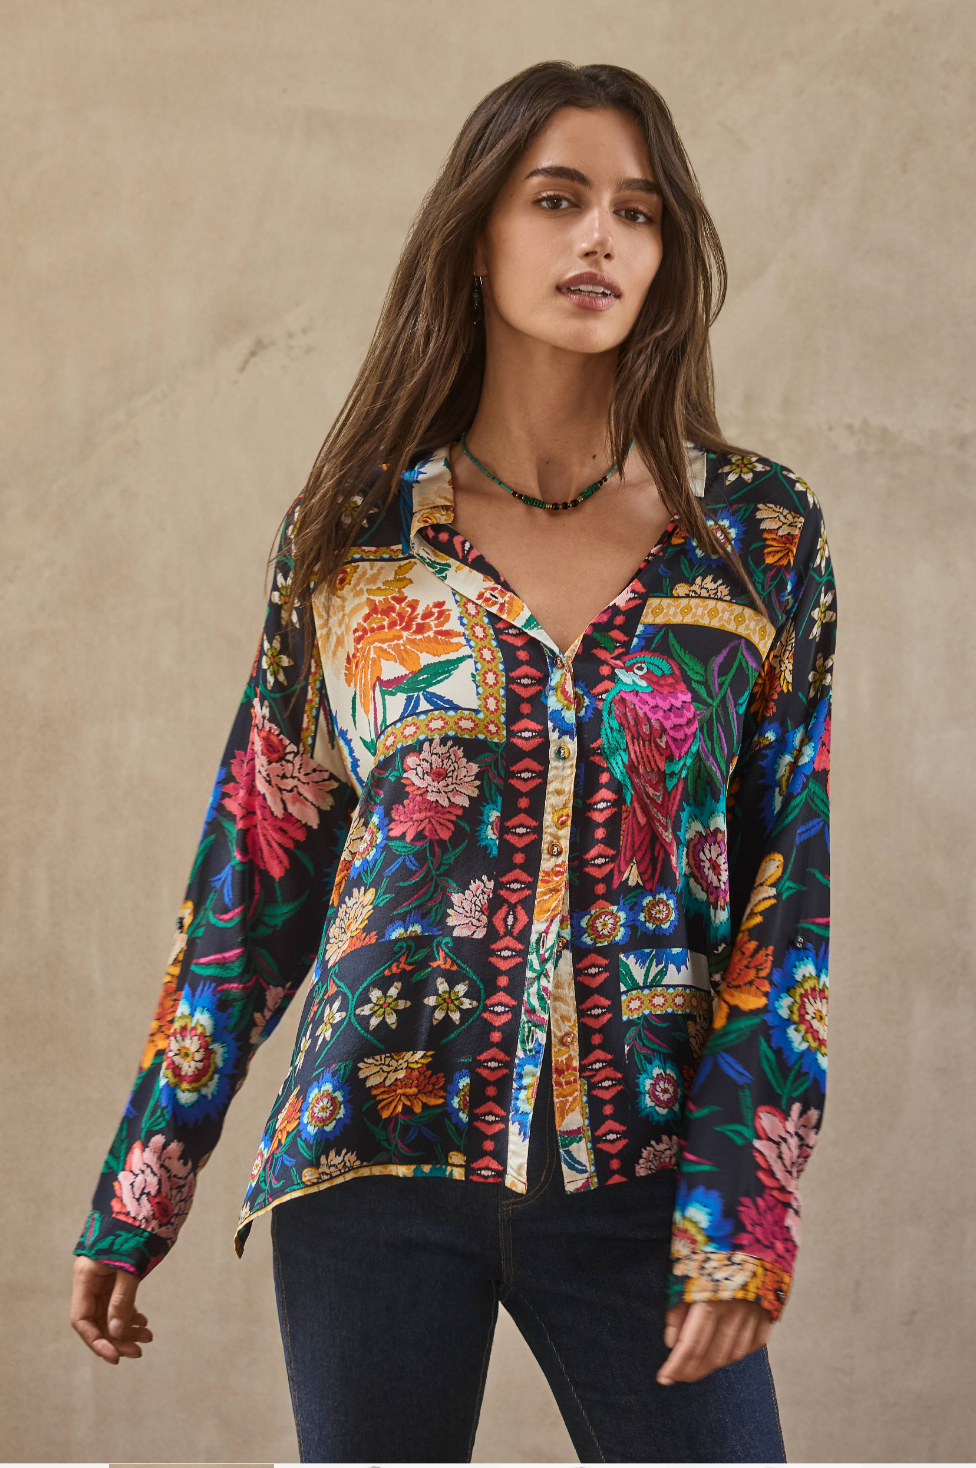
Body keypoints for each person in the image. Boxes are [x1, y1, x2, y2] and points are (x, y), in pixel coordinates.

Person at [70, 60, 834, 1464]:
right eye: (558, 200)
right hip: (371, 1157)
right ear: (477, 234)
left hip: (648, 1179)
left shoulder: (758, 537)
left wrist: (745, 1208)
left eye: (638, 212)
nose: (600, 237)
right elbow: (257, 864)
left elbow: (789, 894)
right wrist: (144, 1180)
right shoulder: (354, 530)